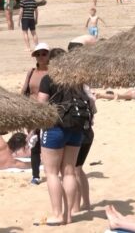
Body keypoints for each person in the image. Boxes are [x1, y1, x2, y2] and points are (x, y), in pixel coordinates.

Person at [37, 48, 90, 225]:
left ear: (52, 63)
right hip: (76, 127)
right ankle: (69, 215)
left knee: (51, 172)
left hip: (55, 127)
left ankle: (58, 213)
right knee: (68, 171)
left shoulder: (48, 79)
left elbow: (41, 105)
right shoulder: (76, 80)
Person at [22, 43, 51, 184]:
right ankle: (35, 175)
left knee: (48, 145)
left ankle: (51, 173)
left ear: (49, 55)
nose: (40, 56)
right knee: (35, 144)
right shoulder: (32, 71)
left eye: (44, 53)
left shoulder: (53, 72)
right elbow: (24, 92)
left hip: (48, 112)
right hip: (32, 111)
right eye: (38, 54)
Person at [73, 85, 96, 213]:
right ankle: (86, 203)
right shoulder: (86, 90)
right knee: (78, 169)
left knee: (74, 169)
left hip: (78, 133)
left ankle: (76, 206)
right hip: (88, 132)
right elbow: (93, 111)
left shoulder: (71, 91)